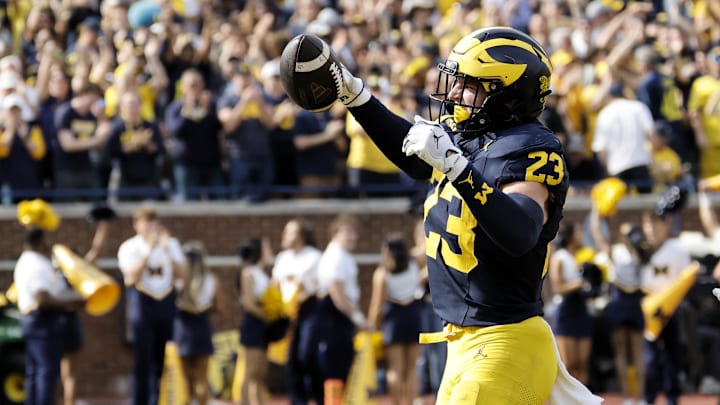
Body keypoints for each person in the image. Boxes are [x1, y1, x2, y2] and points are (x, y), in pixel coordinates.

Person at [309, 26, 602, 404]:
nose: (455, 94)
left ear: (509, 99)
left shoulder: (530, 147)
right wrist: (356, 96)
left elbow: (521, 232)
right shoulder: (470, 138)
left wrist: (457, 168)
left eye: (470, 85)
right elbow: (411, 154)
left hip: (504, 341)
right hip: (463, 345)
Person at [117, 203, 187, 405]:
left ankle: (161, 399)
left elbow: (182, 274)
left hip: (166, 304)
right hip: (143, 305)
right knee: (142, 360)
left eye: (153, 222)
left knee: (164, 359)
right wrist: (148, 251)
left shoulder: (170, 245)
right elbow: (131, 276)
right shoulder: (130, 247)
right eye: (146, 222)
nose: (151, 227)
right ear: (136, 225)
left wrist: (167, 250)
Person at [13, 228, 83, 405]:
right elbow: (42, 298)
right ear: (39, 242)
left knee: (35, 371)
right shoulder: (36, 263)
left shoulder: (26, 260)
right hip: (42, 320)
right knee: (46, 371)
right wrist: (71, 303)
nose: (49, 243)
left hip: (33, 319)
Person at [640, 187, 691, 405]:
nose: (652, 229)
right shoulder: (640, 250)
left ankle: (672, 397)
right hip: (648, 308)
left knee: (672, 355)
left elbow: (686, 279)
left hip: (670, 308)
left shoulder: (676, 250)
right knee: (650, 358)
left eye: (656, 223)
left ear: (666, 224)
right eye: (648, 224)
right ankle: (649, 397)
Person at [309, 213, 366, 402]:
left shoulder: (341, 255)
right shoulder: (336, 256)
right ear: (335, 233)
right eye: (348, 232)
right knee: (335, 370)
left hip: (338, 319)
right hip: (334, 320)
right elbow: (337, 294)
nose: (353, 237)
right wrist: (358, 318)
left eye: (354, 232)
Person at [270, 218, 323, 405]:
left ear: (301, 236)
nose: (284, 236)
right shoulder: (282, 258)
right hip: (286, 312)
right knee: (291, 359)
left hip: (307, 308)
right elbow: (275, 284)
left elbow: (319, 285)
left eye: (289, 232)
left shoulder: (314, 256)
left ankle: (319, 396)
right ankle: (297, 401)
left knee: (307, 353)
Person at [367, 234, 423, 405]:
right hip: (413, 314)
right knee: (412, 368)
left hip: (394, 319)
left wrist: (371, 327)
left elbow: (377, 305)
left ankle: (398, 402)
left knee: (395, 369)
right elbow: (424, 249)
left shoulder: (382, 273)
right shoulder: (414, 264)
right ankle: (413, 401)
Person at [548, 222, 594, 385]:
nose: (581, 236)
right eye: (578, 232)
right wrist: (579, 283)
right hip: (566, 310)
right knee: (569, 365)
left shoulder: (583, 256)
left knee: (582, 363)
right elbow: (558, 288)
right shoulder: (560, 257)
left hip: (582, 309)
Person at [174, 241, 216, 405]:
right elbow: (217, 304)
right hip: (202, 327)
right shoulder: (211, 280)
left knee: (184, 380)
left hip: (183, 328)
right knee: (202, 378)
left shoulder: (179, 282)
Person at [237, 237, 272, 405]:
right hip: (253, 324)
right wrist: (268, 317)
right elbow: (249, 303)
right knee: (250, 371)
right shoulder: (248, 272)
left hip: (263, 327)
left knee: (260, 372)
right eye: (266, 247)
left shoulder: (263, 274)